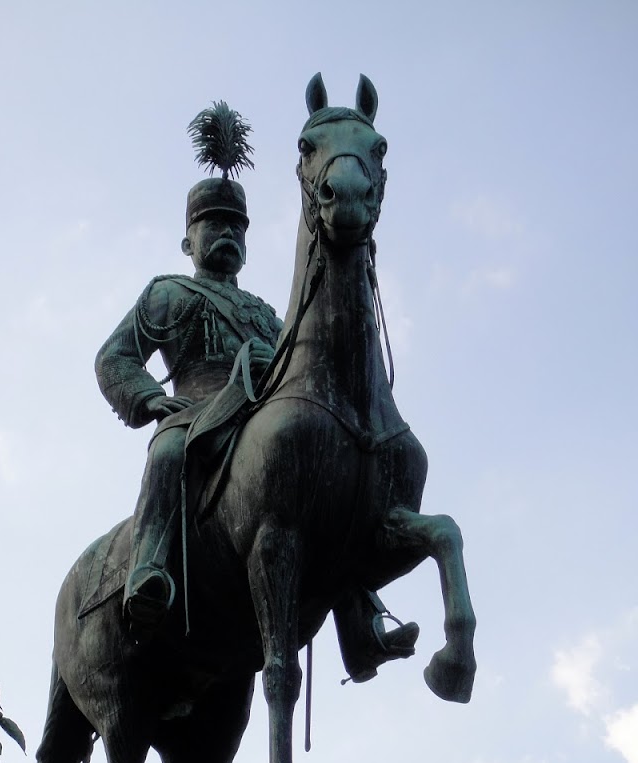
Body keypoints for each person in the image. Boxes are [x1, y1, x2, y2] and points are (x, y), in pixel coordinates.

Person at [95, 174, 417, 681]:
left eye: (236, 228)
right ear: (188, 241)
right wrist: (151, 398)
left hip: (266, 416)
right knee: (169, 452)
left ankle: (361, 624)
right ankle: (149, 569)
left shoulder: (268, 315)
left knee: (329, 485)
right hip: (199, 413)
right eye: (213, 224)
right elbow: (114, 358)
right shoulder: (167, 292)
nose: (227, 233)